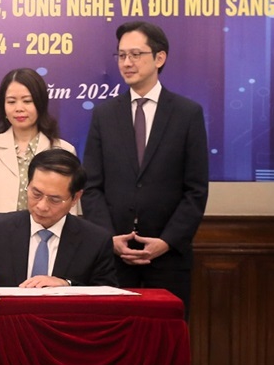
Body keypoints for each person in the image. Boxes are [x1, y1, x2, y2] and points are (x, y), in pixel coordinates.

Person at [81, 21, 209, 314]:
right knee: (113, 334)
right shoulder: (104, 115)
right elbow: (92, 187)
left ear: (159, 58)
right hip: (114, 259)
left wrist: (166, 242)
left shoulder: (187, 114)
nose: (127, 62)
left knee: (165, 335)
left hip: (168, 259)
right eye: (122, 55)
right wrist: (108, 238)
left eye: (136, 54)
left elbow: (196, 190)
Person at [0, 149, 117, 288]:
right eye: (36, 194)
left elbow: (108, 295)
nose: (41, 206)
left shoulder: (96, 241)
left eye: (54, 199)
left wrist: (67, 285)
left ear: (75, 198)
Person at [0, 68, 77, 237]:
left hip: (48, 245)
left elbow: (71, 213)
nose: (19, 108)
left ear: (40, 103)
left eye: (27, 101)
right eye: (11, 102)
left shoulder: (64, 150)